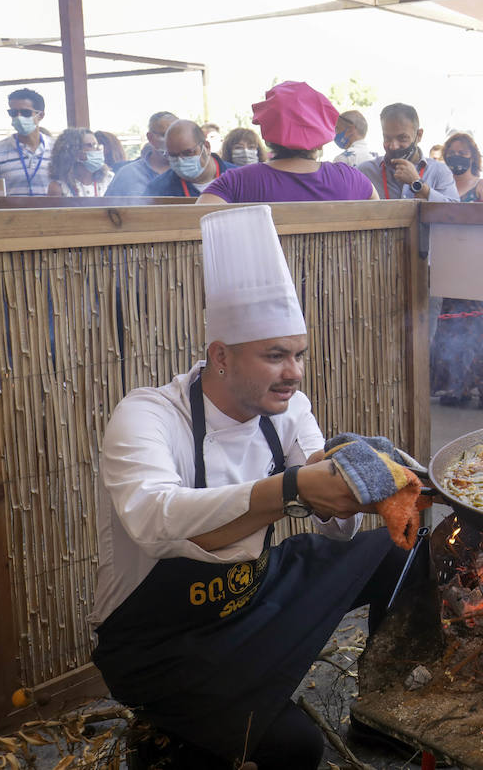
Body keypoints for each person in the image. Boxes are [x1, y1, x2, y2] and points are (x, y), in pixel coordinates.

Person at [91, 203, 418, 770]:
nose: (293, 372)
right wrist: (291, 489)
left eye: (297, 355)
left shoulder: (286, 408)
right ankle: (171, 735)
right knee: (293, 747)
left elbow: (333, 526)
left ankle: (387, 708)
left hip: (250, 595)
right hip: (159, 641)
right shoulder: (147, 415)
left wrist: (351, 475)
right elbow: (154, 519)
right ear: (221, 356)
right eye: (274, 356)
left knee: (400, 554)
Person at [430, 133, 483, 413]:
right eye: (452, 151)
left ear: (473, 156)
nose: (457, 156)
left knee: (480, 329)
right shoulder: (440, 185)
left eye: (463, 152)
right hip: (446, 265)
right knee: (449, 328)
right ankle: (456, 386)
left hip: (477, 266)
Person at [200, 83, 376, 205]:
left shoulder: (236, 181)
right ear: (321, 141)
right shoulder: (352, 179)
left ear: (268, 138)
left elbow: (195, 222)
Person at [354, 104, 458, 202]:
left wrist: (418, 184)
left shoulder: (439, 171)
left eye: (402, 138)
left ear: (419, 135)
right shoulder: (365, 172)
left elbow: (454, 214)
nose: (393, 146)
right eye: (387, 138)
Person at [0, 88, 52, 195]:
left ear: (40, 115)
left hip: (51, 212)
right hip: (11, 212)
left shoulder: (58, 150)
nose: (18, 117)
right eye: (13, 112)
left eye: (25, 112)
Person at [147, 119, 238, 197]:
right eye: (173, 155)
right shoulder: (158, 189)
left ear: (206, 147)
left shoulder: (238, 178)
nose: (180, 160)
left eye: (188, 153)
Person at [105, 111, 177, 196]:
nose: (173, 141)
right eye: (165, 135)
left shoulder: (189, 173)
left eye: (177, 135)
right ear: (150, 138)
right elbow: (107, 208)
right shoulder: (128, 175)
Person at [47, 128, 115, 196]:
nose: (97, 150)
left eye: (97, 145)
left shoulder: (110, 179)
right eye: (91, 145)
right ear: (74, 152)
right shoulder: (59, 187)